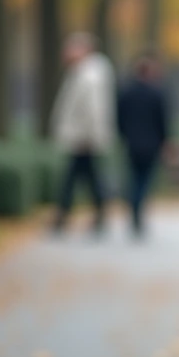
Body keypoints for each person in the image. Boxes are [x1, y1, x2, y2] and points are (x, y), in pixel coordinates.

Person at [50, 32, 115, 236]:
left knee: (76, 178)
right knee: (87, 177)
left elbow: (94, 109)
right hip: (83, 138)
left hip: (83, 139)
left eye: (71, 47)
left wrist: (93, 137)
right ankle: (97, 213)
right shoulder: (84, 72)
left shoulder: (89, 75)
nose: (66, 52)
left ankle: (64, 215)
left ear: (85, 49)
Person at [116, 53, 172, 238]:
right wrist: (166, 141)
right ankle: (137, 210)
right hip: (151, 145)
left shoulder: (126, 92)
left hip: (131, 143)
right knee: (144, 180)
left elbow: (119, 118)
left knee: (133, 178)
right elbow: (163, 121)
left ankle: (134, 207)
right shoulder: (157, 93)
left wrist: (123, 136)